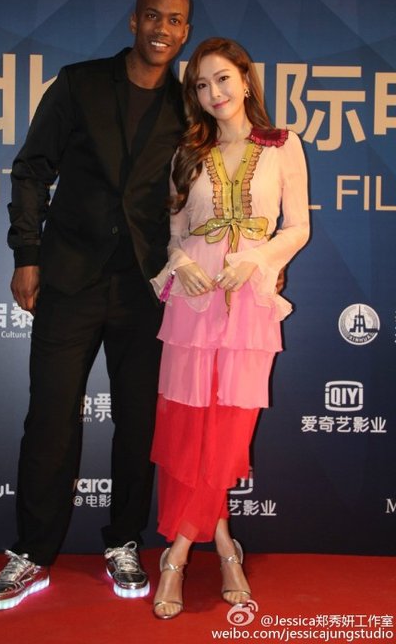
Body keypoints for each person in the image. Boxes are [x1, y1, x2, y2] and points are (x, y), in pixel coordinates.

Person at [0, 0, 191, 611]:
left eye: (175, 20)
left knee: (138, 423)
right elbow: (32, 170)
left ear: (185, 32)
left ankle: (124, 541)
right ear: (133, 21)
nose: (162, 29)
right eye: (152, 16)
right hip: (69, 279)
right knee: (49, 418)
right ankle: (32, 554)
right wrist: (26, 253)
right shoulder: (79, 83)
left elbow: (209, 194)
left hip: (148, 288)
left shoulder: (190, 107)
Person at [149, 37, 310, 619]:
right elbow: (174, 234)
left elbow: (298, 228)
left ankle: (178, 553)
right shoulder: (187, 150)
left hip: (249, 300)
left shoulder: (282, 144)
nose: (213, 92)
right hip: (192, 304)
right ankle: (222, 548)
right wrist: (181, 263)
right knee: (188, 427)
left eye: (222, 78)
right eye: (200, 84)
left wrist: (259, 260)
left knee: (228, 430)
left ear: (245, 79)